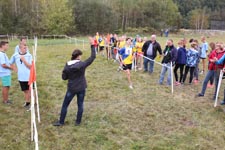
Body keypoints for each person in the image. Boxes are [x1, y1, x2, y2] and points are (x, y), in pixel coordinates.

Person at [53, 37, 96, 126]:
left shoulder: (67, 65)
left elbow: (64, 78)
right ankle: (78, 122)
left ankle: (61, 122)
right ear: (79, 56)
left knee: (65, 105)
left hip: (71, 88)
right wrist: (92, 45)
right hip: (81, 88)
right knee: (80, 105)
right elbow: (93, 57)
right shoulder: (82, 64)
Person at [10, 44, 32, 109]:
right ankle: (27, 102)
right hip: (21, 77)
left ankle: (32, 103)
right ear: (20, 49)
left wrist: (24, 60)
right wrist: (15, 70)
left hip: (29, 77)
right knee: (25, 91)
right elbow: (10, 63)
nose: (26, 49)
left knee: (30, 91)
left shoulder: (29, 55)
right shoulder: (15, 55)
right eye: (24, 48)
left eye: (26, 48)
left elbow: (30, 66)